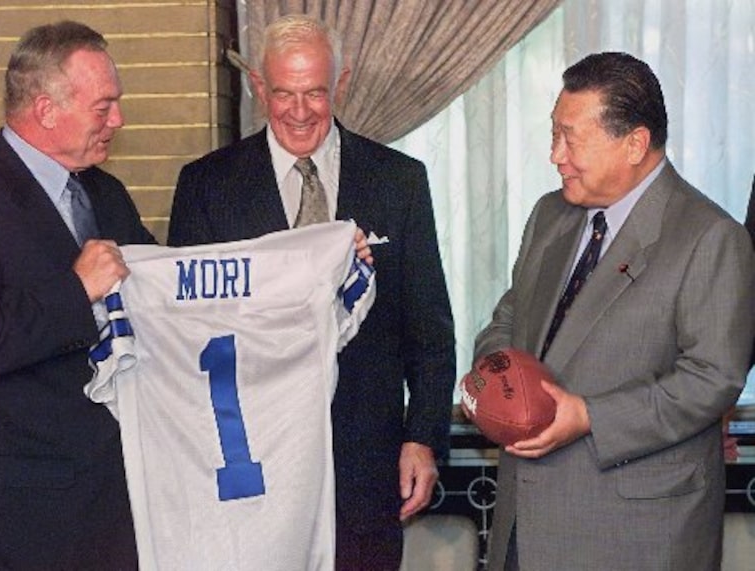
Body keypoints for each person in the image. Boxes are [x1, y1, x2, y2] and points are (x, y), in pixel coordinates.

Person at [168, 13, 455, 570]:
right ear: (258, 87)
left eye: (315, 93)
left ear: (340, 85)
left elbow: (430, 332)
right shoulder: (205, 186)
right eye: (284, 93)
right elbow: (188, 335)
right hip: (249, 469)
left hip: (367, 473)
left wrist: (422, 438)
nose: (300, 111)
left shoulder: (400, 181)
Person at [473, 51, 755, 571]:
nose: (555, 155)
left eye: (570, 138)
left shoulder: (710, 238)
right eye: (552, 134)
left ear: (634, 144)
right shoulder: (549, 214)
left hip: (636, 537)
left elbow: (713, 377)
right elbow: (509, 318)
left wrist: (590, 417)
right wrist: (498, 376)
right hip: (522, 526)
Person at [0, 21, 155, 569]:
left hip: (104, 513)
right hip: (9, 526)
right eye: (104, 107)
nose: (117, 120)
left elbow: (160, 292)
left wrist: (304, 272)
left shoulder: (106, 192)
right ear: (47, 111)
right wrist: (76, 291)